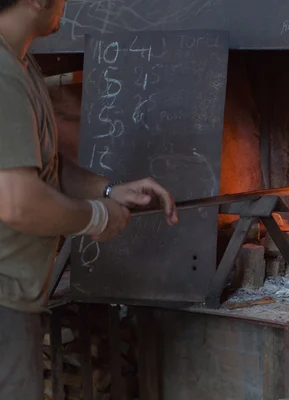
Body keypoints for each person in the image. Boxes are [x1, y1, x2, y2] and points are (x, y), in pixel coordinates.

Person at [0, 0, 179, 397]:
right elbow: (17, 201)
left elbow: (45, 167)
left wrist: (108, 190)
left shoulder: (19, 63)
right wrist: (96, 218)